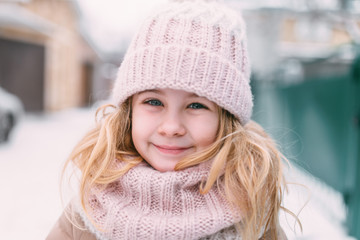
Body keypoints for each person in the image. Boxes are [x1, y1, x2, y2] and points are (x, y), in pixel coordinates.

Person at [47, 0, 291, 239]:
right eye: (154, 102)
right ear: (130, 111)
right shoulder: (90, 209)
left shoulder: (251, 215)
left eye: (196, 105)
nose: (171, 127)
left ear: (227, 119)